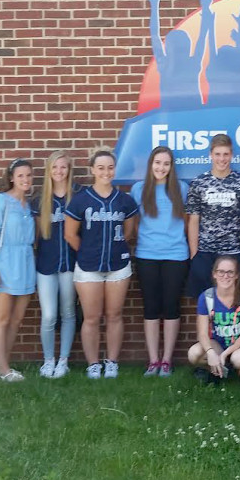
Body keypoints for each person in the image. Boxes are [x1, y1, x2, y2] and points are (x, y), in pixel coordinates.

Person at [65, 150, 140, 379]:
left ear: (115, 170)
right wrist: (89, 251)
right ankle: (93, 364)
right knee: (91, 317)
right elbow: (70, 235)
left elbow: (129, 232)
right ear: (92, 170)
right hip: (89, 266)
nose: (106, 172)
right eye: (101, 167)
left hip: (118, 265)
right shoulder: (81, 200)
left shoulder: (124, 199)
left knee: (115, 315)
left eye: (110, 167)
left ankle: (112, 362)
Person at [130, 146, 190, 377]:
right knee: (151, 309)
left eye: (166, 163)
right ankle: (153, 360)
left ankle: (167, 361)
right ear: (150, 164)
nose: (161, 168)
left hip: (176, 255)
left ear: (171, 167)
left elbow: (186, 221)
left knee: (171, 307)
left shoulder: (181, 189)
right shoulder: (139, 189)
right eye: (157, 163)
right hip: (147, 255)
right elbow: (134, 223)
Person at [32, 151, 82, 379]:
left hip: (71, 264)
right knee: (49, 315)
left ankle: (64, 360)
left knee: (69, 312)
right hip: (46, 265)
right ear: (49, 171)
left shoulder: (78, 196)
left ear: (69, 170)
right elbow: (34, 236)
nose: (59, 172)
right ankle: (48, 360)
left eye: (63, 167)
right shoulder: (40, 200)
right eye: (55, 167)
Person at [185, 133, 240, 299]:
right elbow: (193, 221)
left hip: (234, 251)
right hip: (205, 253)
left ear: (231, 155)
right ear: (210, 155)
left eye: (226, 154)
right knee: (206, 304)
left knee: (235, 303)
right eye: (217, 154)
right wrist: (195, 255)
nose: (221, 159)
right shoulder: (198, 183)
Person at [0, 159, 37, 382]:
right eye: (20, 176)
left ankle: (3, 367)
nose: (25, 180)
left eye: (28, 175)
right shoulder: (0, 201)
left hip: (26, 264)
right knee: (2, 319)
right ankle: (4, 369)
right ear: (11, 178)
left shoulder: (29, 205)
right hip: (5, 264)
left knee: (17, 320)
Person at [186, 256, 240, 390]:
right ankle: (215, 371)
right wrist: (210, 353)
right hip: (218, 343)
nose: (225, 276)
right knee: (194, 353)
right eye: (221, 272)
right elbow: (202, 334)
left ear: (237, 275)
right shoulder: (206, 297)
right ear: (214, 274)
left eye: (230, 272)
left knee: (239, 360)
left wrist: (225, 354)